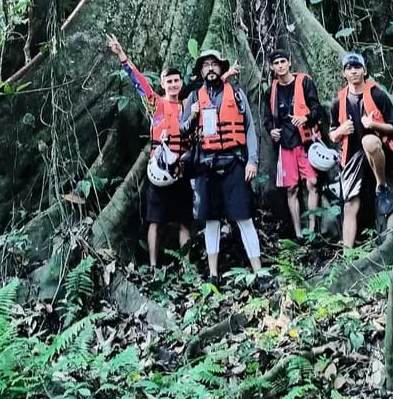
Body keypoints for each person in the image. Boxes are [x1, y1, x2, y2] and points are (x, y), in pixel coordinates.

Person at [107, 34, 192, 268]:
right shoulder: (156, 104)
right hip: (158, 168)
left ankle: (186, 266)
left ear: (182, 83)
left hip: (182, 168)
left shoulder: (188, 106)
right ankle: (154, 266)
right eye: (169, 81)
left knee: (185, 220)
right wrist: (122, 56)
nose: (173, 85)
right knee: (155, 220)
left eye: (177, 81)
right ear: (163, 84)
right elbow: (139, 83)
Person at [179, 49, 262, 281]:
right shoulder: (194, 98)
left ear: (221, 68)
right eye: (206, 65)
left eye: (214, 64)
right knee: (212, 220)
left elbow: (250, 129)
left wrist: (252, 161)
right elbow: (182, 129)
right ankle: (213, 273)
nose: (211, 68)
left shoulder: (236, 94)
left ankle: (259, 271)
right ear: (201, 71)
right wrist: (192, 116)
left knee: (244, 218)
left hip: (235, 163)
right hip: (207, 166)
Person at [329, 52, 393, 249]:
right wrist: (340, 131)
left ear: (364, 70)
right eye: (349, 68)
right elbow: (331, 134)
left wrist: (373, 124)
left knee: (369, 141)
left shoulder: (377, 94)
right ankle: (347, 254)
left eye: (357, 67)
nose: (353, 71)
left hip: (378, 151)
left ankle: (382, 186)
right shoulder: (338, 102)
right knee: (349, 205)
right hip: (352, 157)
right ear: (344, 73)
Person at [263, 48, 322, 241]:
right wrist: (271, 130)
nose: (280, 66)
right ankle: (298, 233)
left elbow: (317, 109)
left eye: (283, 61)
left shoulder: (304, 82)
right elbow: (267, 118)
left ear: (289, 62)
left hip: (305, 142)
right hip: (285, 144)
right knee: (291, 189)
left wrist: (305, 117)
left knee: (312, 183)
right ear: (271, 67)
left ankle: (313, 230)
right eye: (276, 63)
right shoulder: (271, 90)